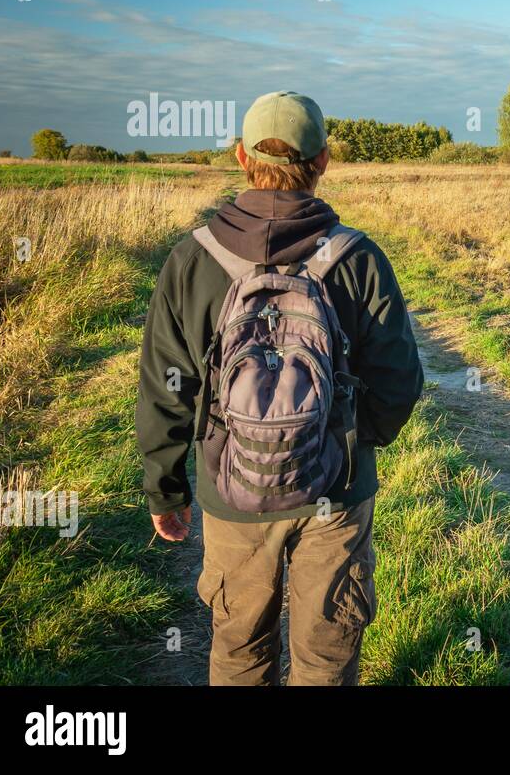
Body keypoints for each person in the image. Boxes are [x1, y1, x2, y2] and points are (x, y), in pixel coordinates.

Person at [137, 91, 422, 685]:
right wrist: (349, 437)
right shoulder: (358, 258)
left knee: (239, 649)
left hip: (231, 490)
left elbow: (168, 386)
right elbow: (398, 381)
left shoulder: (193, 259)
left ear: (241, 157)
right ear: (323, 161)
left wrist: (167, 488)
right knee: (326, 655)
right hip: (335, 493)